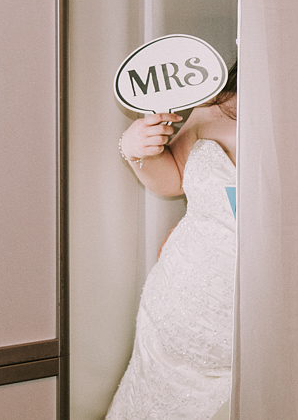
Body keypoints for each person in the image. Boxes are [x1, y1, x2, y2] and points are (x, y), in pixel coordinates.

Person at [106, 62, 237, 420]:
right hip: (175, 314)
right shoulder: (217, 100)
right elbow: (174, 179)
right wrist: (136, 149)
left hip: (261, 325)